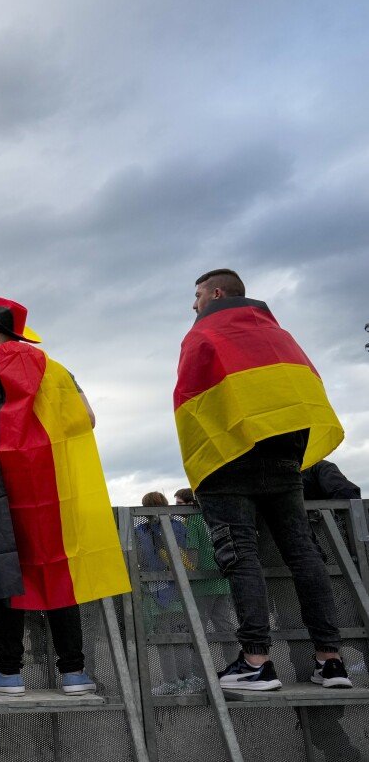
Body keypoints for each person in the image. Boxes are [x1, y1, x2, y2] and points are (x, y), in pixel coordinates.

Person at [174, 268, 350, 690]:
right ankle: (331, 660)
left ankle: (255, 661)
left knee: (242, 558)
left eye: (197, 296)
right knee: (304, 555)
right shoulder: (278, 334)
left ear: (216, 294)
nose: (193, 304)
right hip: (285, 458)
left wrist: (202, 466)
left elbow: (191, 402)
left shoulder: (203, 334)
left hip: (231, 461)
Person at [0, 297, 130, 697]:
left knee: (8, 572)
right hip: (54, 493)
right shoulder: (57, 371)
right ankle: (74, 673)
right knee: (59, 569)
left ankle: (9, 672)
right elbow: (88, 419)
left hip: (3, 493)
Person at [135, 492, 201, 696]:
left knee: (164, 638)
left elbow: (139, 558)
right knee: (181, 636)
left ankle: (171, 681)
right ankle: (187, 679)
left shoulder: (140, 531)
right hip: (178, 588)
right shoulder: (179, 526)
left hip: (155, 589)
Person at [174, 488, 238, 666]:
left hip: (202, 585)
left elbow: (192, 553)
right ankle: (233, 664)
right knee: (225, 627)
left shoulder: (193, 521)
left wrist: (186, 569)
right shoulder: (213, 517)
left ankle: (199, 671)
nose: (176, 509)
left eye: (179, 504)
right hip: (222, 581)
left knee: (197, 630)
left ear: (190, 504)